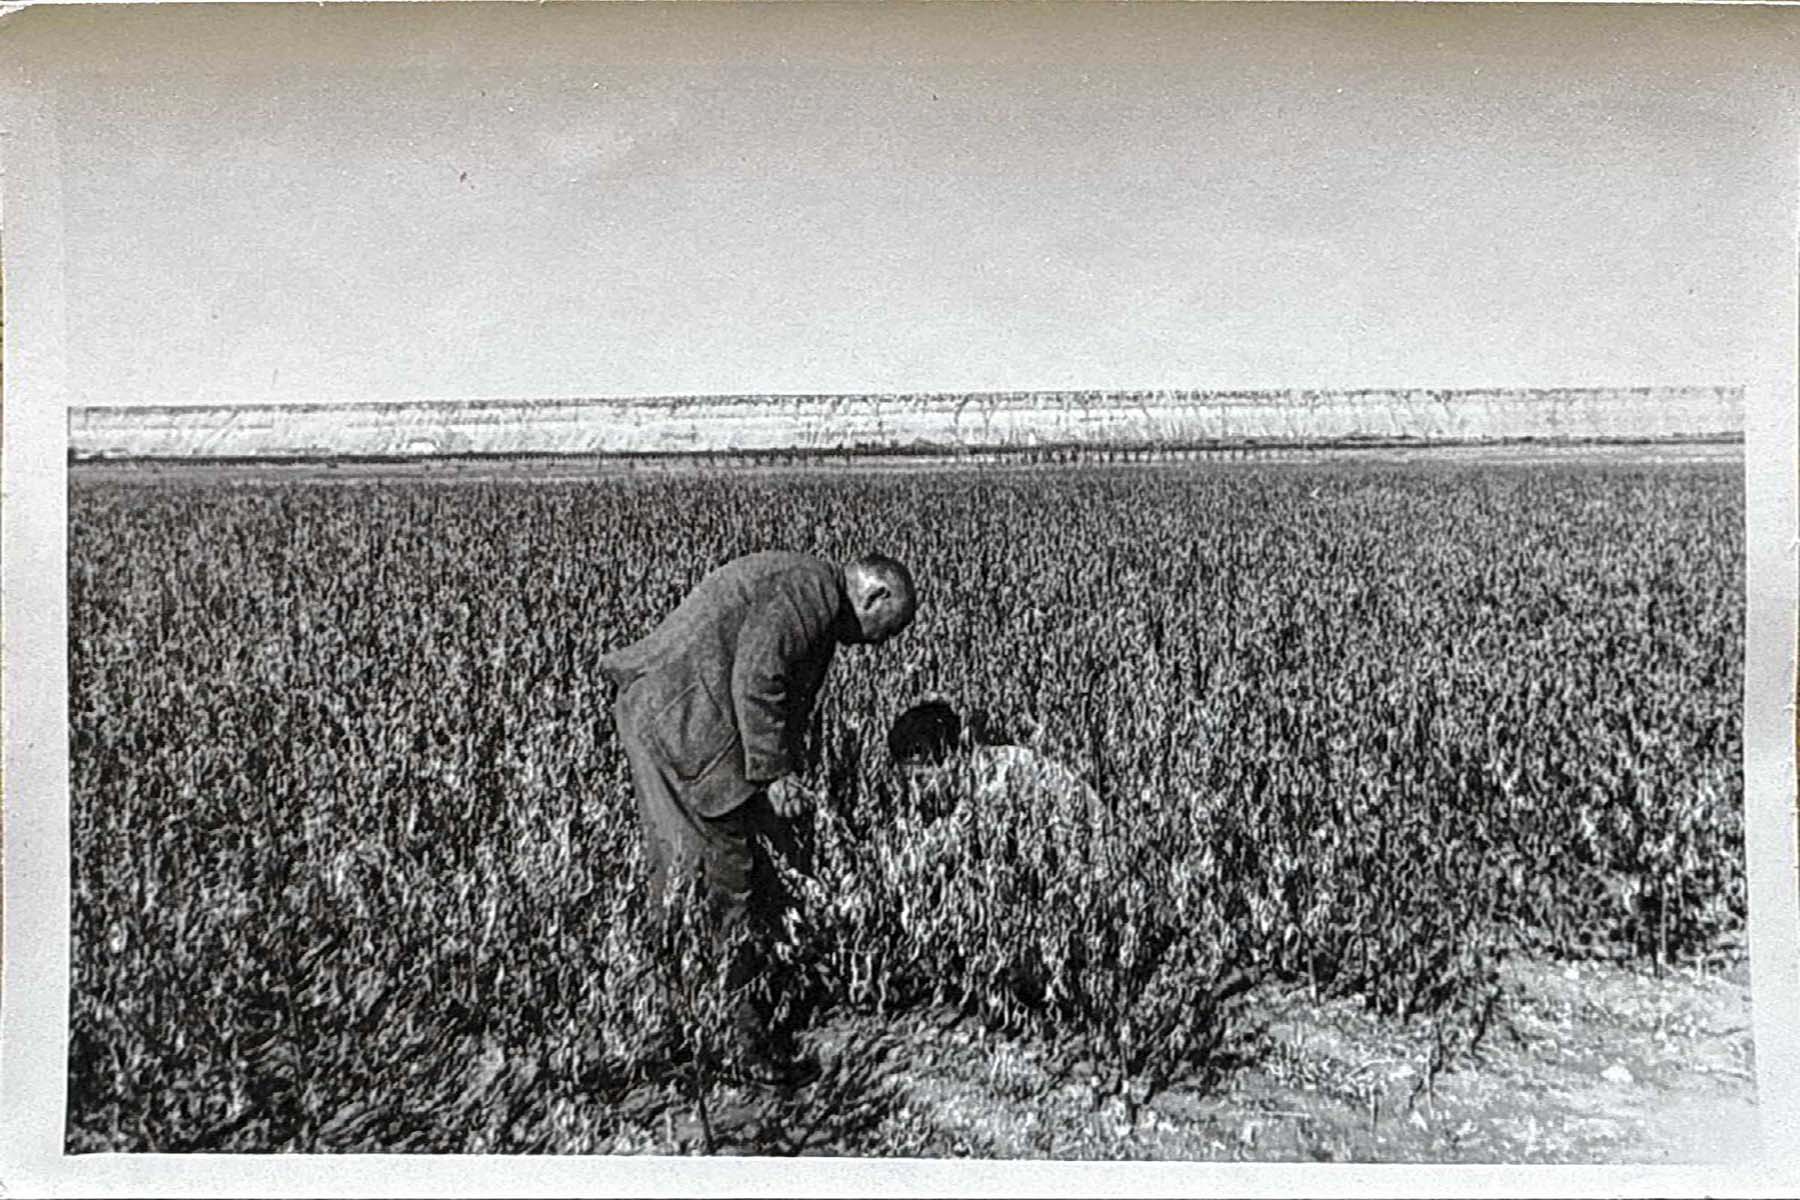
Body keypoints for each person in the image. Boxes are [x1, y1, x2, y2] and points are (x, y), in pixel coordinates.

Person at [600, 550, 918, 1082]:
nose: (883, 643)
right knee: (722, 879)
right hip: (685, 726)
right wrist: (774, 776)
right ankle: (736, 1042)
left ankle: (674, 1023)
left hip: (669, 716)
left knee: (681, 877)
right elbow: (758, 678)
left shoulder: (805, 587)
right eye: (890, 627)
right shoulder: (811, 591)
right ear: (874, 595)